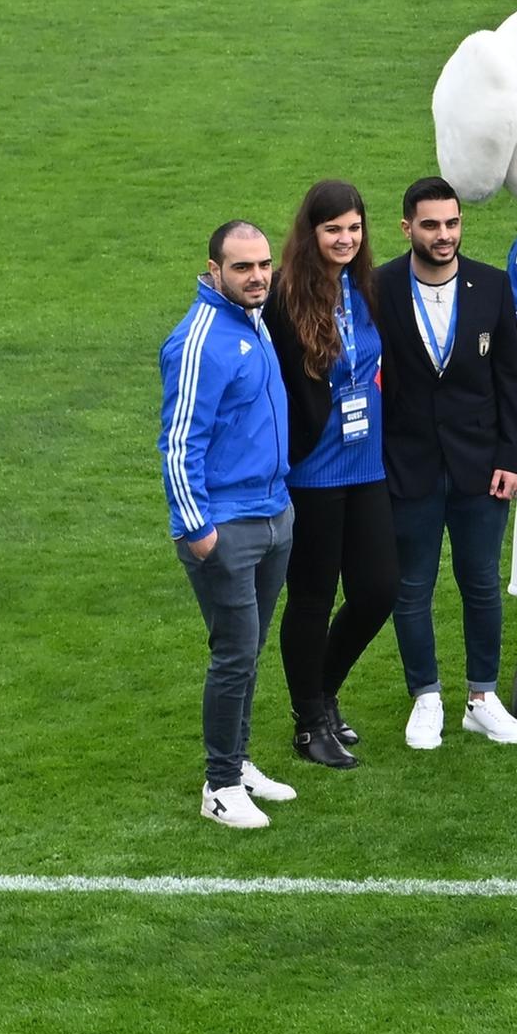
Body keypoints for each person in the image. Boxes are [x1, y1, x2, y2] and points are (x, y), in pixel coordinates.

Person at [375, 177, 517, 751]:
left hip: (481, 466)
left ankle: (482, 698)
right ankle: (426, 697)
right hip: (407, 466)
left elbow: (511, 379)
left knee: (482, 583)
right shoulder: (380, 287)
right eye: (432, 225)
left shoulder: (491, 285)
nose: (445, 236)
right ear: (408, 228)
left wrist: (513, 456)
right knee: (411, 586)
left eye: (453, 223)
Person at [165, 220, 301, 829]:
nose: (257, 277)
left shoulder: (252, 321)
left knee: (248, 651)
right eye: (242, 267)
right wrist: (199, 530)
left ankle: (239, 763)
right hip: (225, 526)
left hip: (273, 514)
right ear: (213, 268)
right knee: (234, 653)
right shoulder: (198, 340)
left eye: (264, 265)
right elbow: (178, 444)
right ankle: (219, 785)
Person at [264, 179, 395, 772]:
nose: (345, 239)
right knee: (313, 597)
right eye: (332, 229)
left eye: (353, 228)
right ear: (311, 233)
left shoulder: (367, 285)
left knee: (376, 591)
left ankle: (322, 692)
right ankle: (309, 723)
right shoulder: (286, 295)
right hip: (312, 469)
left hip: (366, 462)